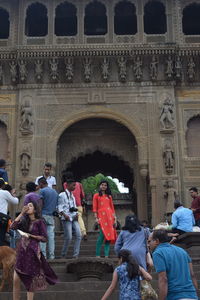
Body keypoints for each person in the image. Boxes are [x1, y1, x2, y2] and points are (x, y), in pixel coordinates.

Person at [11, 201, 58, 300]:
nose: (27, 207)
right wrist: (22, 213)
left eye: (30, 206)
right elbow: (12, 226)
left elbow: (44, 238)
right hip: (21, 252)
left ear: (35, 209)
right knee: (15, 279)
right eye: (27, 205)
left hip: (32, 252)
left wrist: (31, 235)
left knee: (30, 280)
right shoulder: (24, 220)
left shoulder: (40, 221)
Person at [148, 229, 198, 300]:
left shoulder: (158, 253)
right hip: (192, 295)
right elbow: (192, 275)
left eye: (149, 241)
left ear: (156, 241)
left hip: (175, 296)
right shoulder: (182, 251)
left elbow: (163, 279)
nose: (148, 244)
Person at [58, 178, 81, 258]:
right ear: (67, 185)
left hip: (73, 217)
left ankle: (75, 255)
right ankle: (63, 255)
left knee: (79, 235)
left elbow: (74, 207)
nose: (75, 187)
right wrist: (64, 215)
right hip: (66, 218)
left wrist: (76, 214)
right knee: (69, 237)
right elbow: (59, 208)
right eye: (73, 185)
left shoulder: (72, 196)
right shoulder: (62, 195)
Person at [93, 180, 117, 258]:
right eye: (102, 185)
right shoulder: (96, 195)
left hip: (109, 217)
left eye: (105, 185)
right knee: (101, 235)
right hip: (101, 216)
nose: (103, 186)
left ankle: (106, 255)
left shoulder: (109, 196)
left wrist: (115, 219)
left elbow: (112, 208)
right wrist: (96, 218)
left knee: (108, 237)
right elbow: (95, 208)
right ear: (100, 186)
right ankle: (97, 255)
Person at [63, 171, 87, 240]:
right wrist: (83, 205)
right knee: (79, 218)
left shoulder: (65, 184)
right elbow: (83, 195)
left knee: (70, 219)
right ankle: (83, 232)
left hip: (70, 205)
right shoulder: (79, 184)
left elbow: (66, 193)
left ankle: (72, 233)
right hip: (79, 204)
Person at [38, 177, 58, 260]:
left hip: (43, 215)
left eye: (39, 185)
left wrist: (38, 215)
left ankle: (44, 256)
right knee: (51, 237)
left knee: (43, 236)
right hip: (51, 216)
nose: (39, 186)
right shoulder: (55, 192)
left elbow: (40, 204)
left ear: (41, 184)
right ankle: (52, 256)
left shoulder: (42, 191)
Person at [0, 178, 19, 246]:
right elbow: (15, 201)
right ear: (2, 186)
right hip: (2, 218)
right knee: (1, 236)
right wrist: (13, 194)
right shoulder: (5, 193)